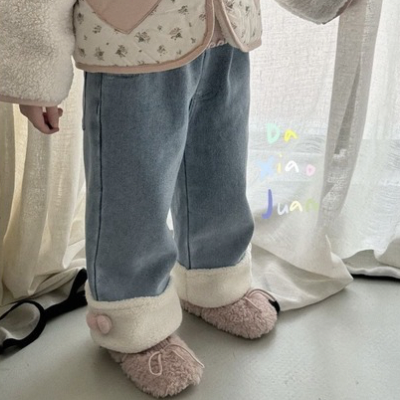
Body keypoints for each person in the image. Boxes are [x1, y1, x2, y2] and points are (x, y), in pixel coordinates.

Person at [0, 0, 354, 397]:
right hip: (130, 37)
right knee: (132, 190)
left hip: (227, 30)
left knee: (220, 164)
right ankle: (132, 322)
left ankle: (214, 282)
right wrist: (35, 71)